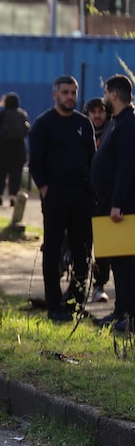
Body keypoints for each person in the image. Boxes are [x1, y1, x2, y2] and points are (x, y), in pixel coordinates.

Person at [28, 74, 96, 322]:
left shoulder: (83, 123)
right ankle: (54, 304)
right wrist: (46, 191)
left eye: (73, 92)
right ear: (54, 94)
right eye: (65, 92)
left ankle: (76, 302)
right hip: (56, 196)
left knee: (82, 253)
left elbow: (92, 159)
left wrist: (91, 191)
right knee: (53, 251)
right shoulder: (43, 124)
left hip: (81, 197)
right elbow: (35, 163)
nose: (70, 97)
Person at [90, 74, 135, 330]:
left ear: (114, 95)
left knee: (126, 262)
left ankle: (129, 316)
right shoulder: (117, 122)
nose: (104, 97)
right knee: (117, 260)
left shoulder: (129, 123)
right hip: (109, 202)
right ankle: (120, 312)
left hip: (123, 206)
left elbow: (126, 167)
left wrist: (117, 203)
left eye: (106, 93)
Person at [86, 96, 113, 303]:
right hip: (83, 197)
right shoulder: (81, 133)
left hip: (105, 199)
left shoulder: (113, 134)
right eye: (93, 112)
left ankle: (99, 285)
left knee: (104, 247)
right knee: (80, 243)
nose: (97, 115)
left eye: (100, 111)